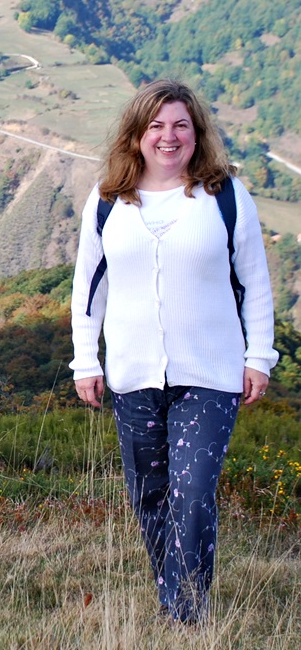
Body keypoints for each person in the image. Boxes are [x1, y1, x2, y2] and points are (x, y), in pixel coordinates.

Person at [70, 79, 278, 624]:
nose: (169, 136)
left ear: (197, 133)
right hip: (133, 374)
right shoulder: (108, 200)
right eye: (157, 125)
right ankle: (176, 596)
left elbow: (254, 281)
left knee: (192, 493)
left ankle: (186, 610)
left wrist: (260, 356)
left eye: (181, 125)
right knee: (151, 497)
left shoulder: (225, 196)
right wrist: (85, 360)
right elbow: (89, 286)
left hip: (210, 373)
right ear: (137, 135)